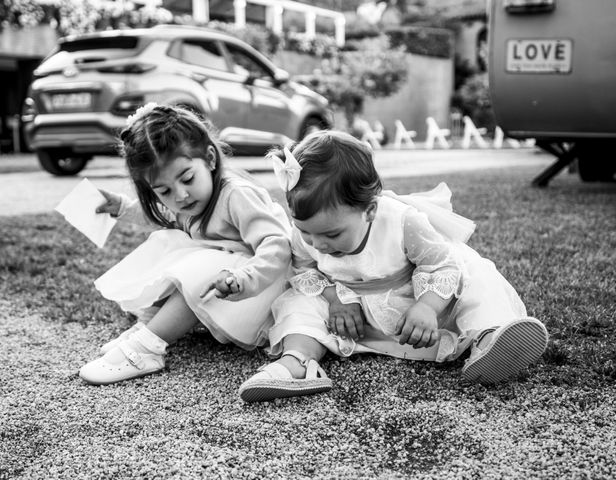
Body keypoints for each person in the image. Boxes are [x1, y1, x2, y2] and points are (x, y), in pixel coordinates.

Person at [238, 130, 549, 402]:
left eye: (331, 234)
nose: (317, 244)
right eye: (306, 232)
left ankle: (487, 337)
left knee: (477, 279)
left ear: (370, 210)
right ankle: (298, 361)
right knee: (299, 301)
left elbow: (444, 266)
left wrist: (428, 306)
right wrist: (334, 299)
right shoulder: (305, 234)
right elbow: (305, 267)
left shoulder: (402, 222)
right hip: (354, 315)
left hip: (416, 308)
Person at [78, 103, 292, 385]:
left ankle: (148, 348)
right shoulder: (189, 200)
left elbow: (278, 245)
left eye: (187, 178)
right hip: (229, 283)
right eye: (164, 191)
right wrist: (121, 207)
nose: (180, 195)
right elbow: (169, 218)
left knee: (199, 266)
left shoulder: (236, 195)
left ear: (211, 159)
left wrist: (244, 278)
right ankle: (148, 327)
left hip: (262, 287)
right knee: (171, 242)